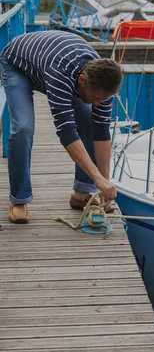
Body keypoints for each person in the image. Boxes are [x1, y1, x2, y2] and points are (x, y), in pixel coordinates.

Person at [0, 30, 123, 224]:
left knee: (91, 122)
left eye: (104, 99)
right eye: (97, 98)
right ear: (82, 81)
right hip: (18, 65)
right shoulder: (60, 73)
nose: (99, 104)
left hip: (51, 62)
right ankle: (19, 199)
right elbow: (66, 132)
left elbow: (101, 132)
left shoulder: (102, 83)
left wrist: (104, 184)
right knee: (23, 128)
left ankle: (82, 193)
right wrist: (97, 176)